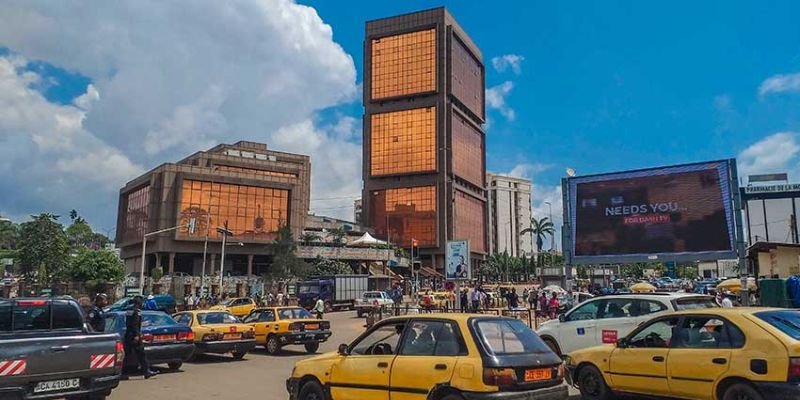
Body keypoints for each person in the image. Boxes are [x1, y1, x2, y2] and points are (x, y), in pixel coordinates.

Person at [125, 296, 158, 379]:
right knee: (141, 354)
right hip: (134, 335)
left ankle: (121, 372)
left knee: (126, 354)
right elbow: (135, 324)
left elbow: (129, 322)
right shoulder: (137, 311)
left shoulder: (129, 310)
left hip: (128, 334)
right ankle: (146, 371)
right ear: (139, 303)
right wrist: (137, 335)